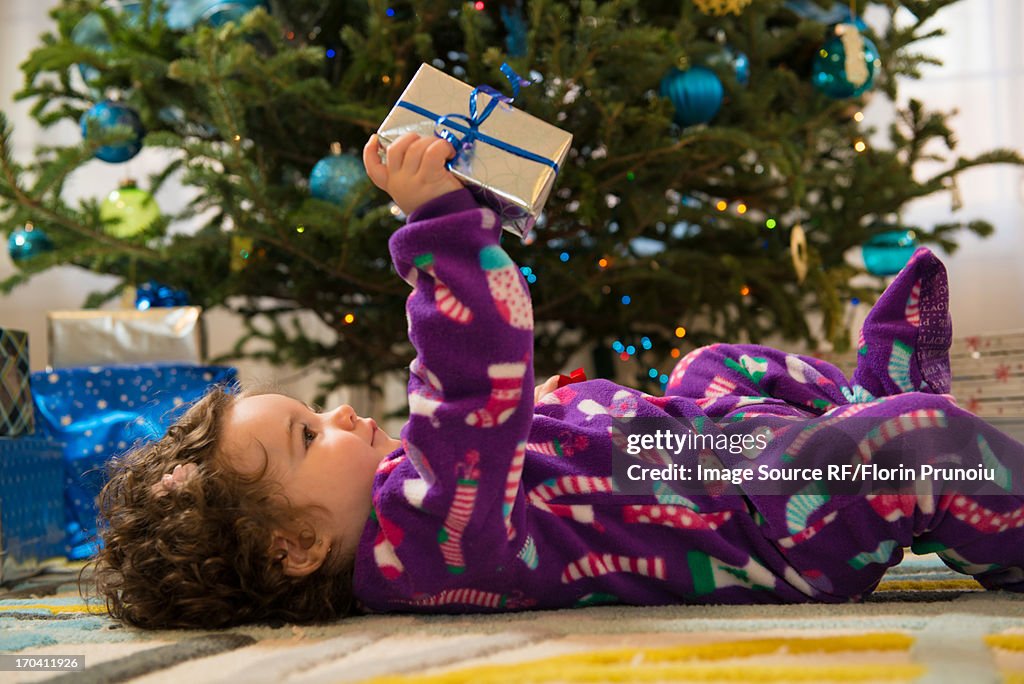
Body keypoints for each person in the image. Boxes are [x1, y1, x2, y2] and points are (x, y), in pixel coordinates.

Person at [90, 132, 1024, 629]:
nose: (337, 412)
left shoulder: (403, 500)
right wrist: (442, 230)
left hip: (690, 449)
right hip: (765, 520)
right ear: (296, 547)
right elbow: (470, 391)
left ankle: (876, 398)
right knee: (918, 451)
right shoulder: (421, 544)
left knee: (716, 368)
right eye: (307, 435)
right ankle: (956, 476)